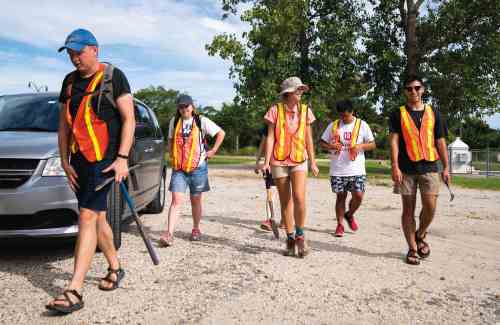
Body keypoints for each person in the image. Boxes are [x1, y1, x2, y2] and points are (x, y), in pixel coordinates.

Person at [46, 29, 135, 314]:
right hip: (79, 160)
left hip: (106, 161)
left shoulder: (113, 77)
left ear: (94, 49)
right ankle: (116, 268)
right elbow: (63, 126)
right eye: (70, 54)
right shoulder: (69, 82)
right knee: (97, 217)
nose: (74, 59)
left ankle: (74, 290)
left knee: (86, 215)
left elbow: (129, 119)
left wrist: (122, 158)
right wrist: (64, 160)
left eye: (79, 52)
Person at [389, 76, 450, 265]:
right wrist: (395, 166)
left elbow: (440, 141)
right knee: (408, 210)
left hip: (430, 167)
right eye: (409, 89)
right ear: (405, 92)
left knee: (430, 207)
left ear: (423, 90)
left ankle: (421, 233)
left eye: (417, 88)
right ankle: (412, 248)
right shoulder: (397, 114)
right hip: (406, 169)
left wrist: (446, 167)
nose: (413, 92)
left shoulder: (434, 114)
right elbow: (394, 141)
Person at [261, 76, 319, 258]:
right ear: (288, 93)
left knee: (300, 198)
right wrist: (266, 161)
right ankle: (290, 238)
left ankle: (301, 235)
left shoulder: (306, 111)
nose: (301, 93)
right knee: (286, 201)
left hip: (299, 159)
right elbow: (270, 137)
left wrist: (313, 161)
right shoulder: (274, 111)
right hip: (278, 160)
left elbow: (309, 138)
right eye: (297, 90)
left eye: (301, 89)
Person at [159, 95, 225, 246]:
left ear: (192, 106)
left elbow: (221, 133)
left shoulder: (202, 121)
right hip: (179, 169)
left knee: (195, 201)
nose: (184, 109)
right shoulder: (174, 121)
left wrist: (213, 150)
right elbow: (170, 139)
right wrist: (171, 152)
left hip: (198, 168)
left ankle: (195, 229)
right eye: (181, 107)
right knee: (176, 201)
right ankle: (169, 234)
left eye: (186, 106)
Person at [320, 100, 376, 237]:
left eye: (346, 115)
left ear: (352, 112)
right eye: (341, 116)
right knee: (341, 197)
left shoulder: (362, 125)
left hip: (357, 169)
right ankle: (340, 225)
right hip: (338, 169)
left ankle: (349, 214)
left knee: (358, 195)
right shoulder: (333, 125)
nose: (343, 118)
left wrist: (360, 146)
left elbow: (372, 144)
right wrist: (331, 146)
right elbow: (322, 143)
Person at [254, 125, 286, 231]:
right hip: (271, 163)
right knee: (270, 192)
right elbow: (263, 144)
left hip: (287, 163)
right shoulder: (268, 126)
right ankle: (270, 219)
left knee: (285, 193)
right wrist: (257, 161)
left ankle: (284, 219)